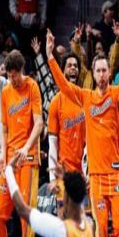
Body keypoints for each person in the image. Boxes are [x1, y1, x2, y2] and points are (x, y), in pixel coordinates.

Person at [46, 28, 119, 237]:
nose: (102, 74)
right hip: (95, 176)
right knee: (100, 228)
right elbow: (63, 86)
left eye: (106, 70)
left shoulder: (116, 95)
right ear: (93, 74)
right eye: (98, 70)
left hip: (116, 173)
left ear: (109, 73)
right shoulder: (85, 97)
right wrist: (50, 57)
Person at [0, 50, 43, 237]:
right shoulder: (5, 93)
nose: (12, 79)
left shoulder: (32, 87)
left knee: (26, 218)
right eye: (9, 75)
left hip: (29, 160)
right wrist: (3, 156)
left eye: (15, 75)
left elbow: (39, 123)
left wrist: (26, 147)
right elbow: (4, 129)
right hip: (10, 162)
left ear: (21, 70)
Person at [47, 52, 86, 214]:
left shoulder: (84, 98)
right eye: (69, 66)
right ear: (61, 72)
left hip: (82, 174)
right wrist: (52, 178)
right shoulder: (56, 102)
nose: (73, 68)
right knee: (63, 220)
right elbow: (52, 143)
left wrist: (88, 172)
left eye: (76, 66)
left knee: (82, 220)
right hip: (63, 174)